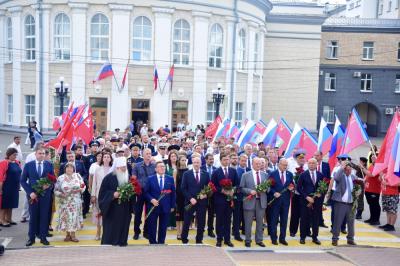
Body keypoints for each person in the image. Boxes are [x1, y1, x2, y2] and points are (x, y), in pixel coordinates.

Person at [21, 148, 55, 246]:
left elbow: (53, 179)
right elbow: (23, 181)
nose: (41, 155)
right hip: (33, 196)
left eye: (43, 153)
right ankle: (31, 238)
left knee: (44, 216)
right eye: (39, 153)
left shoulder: (49, 165)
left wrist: (48, 185)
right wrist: (30, 192)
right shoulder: (28, 165)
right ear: (35, 154)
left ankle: (43, 237)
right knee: (33, 216)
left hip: (45, 195)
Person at [98, 157, 134, 246]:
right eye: (122, 168)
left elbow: (133, 192)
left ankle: (122, 242)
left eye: (125, 167)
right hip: (112, 209)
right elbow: (102, 194)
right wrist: (112, 195)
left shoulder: (128, 177)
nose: (124, 169)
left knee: (123, 226)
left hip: (125, 209)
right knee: (111, 228)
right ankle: (109, 242)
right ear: (117, 168)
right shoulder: (108, 178)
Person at [211, 152, 239, 247]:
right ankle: (219, 239)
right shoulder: (216, 172)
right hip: (219, 200)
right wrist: (222, 190)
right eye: (224, 160)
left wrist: (233, 190)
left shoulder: (233, 171)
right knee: (219, 220)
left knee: (228, 220)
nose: (226, 161)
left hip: (230, 200)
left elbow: (237, 184)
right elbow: (212, 186)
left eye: (228, 159)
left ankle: (227, 239)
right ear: (220, 160)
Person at [145, 161, 176, 244]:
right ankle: (152, 242)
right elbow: (145, 192)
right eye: (160, 166)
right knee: (152, 226)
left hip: (166, 206)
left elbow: (173, 193)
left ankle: (161, 242)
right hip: (153, 206)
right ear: (156, 169)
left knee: (163, 226)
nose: (162, 168)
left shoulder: (170, 178)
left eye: (163, 167)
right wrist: (151, 199)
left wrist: (172, 206)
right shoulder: (150, 178)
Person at [240, 157, 268, 247]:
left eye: (260, 163)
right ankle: (248, 240)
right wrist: (250, 191)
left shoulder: (265, 175)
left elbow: (269, 188)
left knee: (260, 222)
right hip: (249, 201)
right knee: (248, 222)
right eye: (256, 163)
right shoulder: (245, 175)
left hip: (261, 201)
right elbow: (241, 188)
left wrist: (265, 189)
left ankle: (259, 240)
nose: (258, 165)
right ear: (252, 164)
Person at [181, 157, 209, 244]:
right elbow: (183, 188)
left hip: (202, 202)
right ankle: (184, 238)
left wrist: (205, 194)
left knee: (201, 221)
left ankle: (199, 239)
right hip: (190, 202)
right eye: (195, 162)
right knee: (187, 221)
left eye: (198, 162)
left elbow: (209, 187)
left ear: (201, 164)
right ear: (192, 163)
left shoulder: (206, 174)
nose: (196, 164)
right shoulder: (186, 174)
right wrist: (190, 198)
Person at [54, 163, 86, 242]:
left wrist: (80, 190)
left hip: (75, 202)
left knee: (74, 218)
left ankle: (73, 235)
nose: (69, 169)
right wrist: (62, 194)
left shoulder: (78, 176)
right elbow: (56, 190)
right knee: (66, 218)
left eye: (71, 167)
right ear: (65, 169)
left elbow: (83, 186)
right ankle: (67, 235)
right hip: (65, 202)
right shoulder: (61, 178)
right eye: (67, 167)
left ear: (73, 169)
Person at [331, 161, 358, 246]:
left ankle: (350, 239)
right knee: (337, 222)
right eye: (346, 170)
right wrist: (342, 167)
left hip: (351, 203)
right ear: (344, 170)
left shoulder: (353, 177)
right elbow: (335, 177)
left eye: (350, 170)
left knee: (351, 222)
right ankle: (335, 239)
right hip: (340, 203)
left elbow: (360, 182)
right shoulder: (340, 176)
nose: (348, 171)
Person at [297, 158, 324, 245]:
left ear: (316, 164)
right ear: (307, 164)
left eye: (313, 163)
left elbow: (323, 187)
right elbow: (299, 188)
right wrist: (306, 197)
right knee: (304, 219)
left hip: (317, 202)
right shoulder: (303, 175)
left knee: (316, 219)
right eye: (310, 163)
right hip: (305, 201)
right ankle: (302, 237)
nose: (312, 165)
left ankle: (315, 237)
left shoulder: (320, 175)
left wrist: (321, 193)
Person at [268, 158, 294, 246]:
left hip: (285, 201)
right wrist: (274, 192)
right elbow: (268, 186)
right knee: (274, 220)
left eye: (286, 165)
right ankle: (274, 238)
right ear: (279, 164)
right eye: (283, 165)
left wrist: (292, 188)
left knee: (284, 220)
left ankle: (282, 238)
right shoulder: (273, 174)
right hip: (275, 201)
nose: (285, 167)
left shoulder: (289, 174)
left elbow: (292, 185)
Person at [132, 148, 156, 240]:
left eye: (150, 153)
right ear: (143, 154)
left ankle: (146, 231)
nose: (148, 155)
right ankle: (136, 232)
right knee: (138, 213)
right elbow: (133, 179)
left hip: (150, 193)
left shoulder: (154, 166)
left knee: (149, 213)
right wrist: (136, 189)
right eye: (147, 153)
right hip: (140, 192)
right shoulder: (137, 166)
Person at [91, 151, 113, 240]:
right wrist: (93, 195)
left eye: (108, 157)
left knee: (109, 214)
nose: (106, 158)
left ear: (111, 159)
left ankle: (108, 233)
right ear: (102, 159)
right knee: (99, 214)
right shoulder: (98, 169)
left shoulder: (113, 169)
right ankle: (98, 232)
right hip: (99, 195)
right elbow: (94, 183)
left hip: (110, 196)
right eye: (105, 157)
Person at [0, 148, 22, 227]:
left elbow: (19, 175)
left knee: (11, 203)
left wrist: (19, 184)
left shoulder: (17, 162)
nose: (15, 156)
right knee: (4, 204)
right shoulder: (4, 163)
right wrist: (0, 189)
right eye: (14, 155)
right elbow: (1, 177)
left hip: (15, 187)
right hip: (6, 186)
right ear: (9, 155)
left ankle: (9, 218)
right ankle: (2, 220)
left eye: (16, 155)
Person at [233, 153, 250, 241]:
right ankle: (236, 233)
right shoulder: (236, 171)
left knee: (246, 215)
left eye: (245, 161)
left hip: (249, 197)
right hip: (239, 198)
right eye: (242, 160)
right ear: (239, 161)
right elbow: (236, 185)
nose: (244, 162)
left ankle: (244, 230)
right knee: (237, 216)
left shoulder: (249, 170)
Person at [201, 153, 217, 238]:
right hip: (203, 194)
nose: (211, 160)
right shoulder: (201, 168)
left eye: (212, 159)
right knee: (202, 213)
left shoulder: (215, 169)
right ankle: (201, 229)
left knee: (211, 214)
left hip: (213, 195)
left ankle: (210, 230)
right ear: (206, 159)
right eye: (210, 159)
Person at [314, 150, 331, 228]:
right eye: (314, 155)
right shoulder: (312, 164)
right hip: (313, 189)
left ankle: (320, 221)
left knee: (320, 205)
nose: (315, 157)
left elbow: (328, 177)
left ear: (321, 156)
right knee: (313, 205)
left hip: (322, 189)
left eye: (317, 155)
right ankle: (312, 222)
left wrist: (325, 188)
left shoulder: (326, 165)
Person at [364, 155, 381, 225]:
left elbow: (371, 174)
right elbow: (367, 174)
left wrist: (362, 168)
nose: (372, 158)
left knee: (375, 204)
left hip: (374, 189)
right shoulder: (371, 165)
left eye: (374, 157)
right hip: (368, 188)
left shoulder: (378, 166)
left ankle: (376, 220)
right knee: (371, 204)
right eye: (372, 157)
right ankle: (372, 218)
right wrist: (365, 179)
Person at [175, 155, 188, 240]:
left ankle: (183, 232)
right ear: (179, 161)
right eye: (182, 160)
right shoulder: (176, 171)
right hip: (178, 195)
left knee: (184, 215)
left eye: (185, 160)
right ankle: (178, 232)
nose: (183, 161)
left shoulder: (188, 171)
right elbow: (175, 184)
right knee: (178, 215)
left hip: (185, 195)